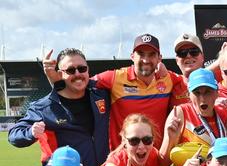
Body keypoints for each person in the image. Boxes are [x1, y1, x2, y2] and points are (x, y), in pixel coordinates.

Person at [42, 34, 184, 149]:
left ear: (159, 58)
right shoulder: (115, 78)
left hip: (155, 161)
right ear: (132, 56)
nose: (146, 60)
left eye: (152, 54)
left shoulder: (169, 78)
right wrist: (53, 78)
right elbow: (78, 81)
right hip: (122, 161)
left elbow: (191, 79)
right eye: (141, 54)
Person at [9, 48, 110, 166]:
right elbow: (14, 135)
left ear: (88, 70)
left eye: (82, 69)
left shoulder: (101, 96)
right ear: (60, 74)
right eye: (71, 70)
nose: (78, 74)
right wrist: (31, 132)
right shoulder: (44, 107)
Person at [159, 68, 227, 166]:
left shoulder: (224, 114)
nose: (202, 98)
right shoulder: (180, 113)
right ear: (189, 95)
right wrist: (170, 138)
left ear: (216, 93)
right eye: (197, 93)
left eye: (208, 92)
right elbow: (163, 164)